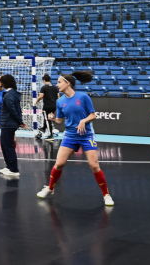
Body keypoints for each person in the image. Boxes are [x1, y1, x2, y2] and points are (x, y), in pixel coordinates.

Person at [36, 72, 114, 206]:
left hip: (86, 135)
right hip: (70, 135)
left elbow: (93, 115)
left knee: (94, 165)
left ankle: (106, 195)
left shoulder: (83, 97)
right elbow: (60, 120)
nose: (57, 85)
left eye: (59, 82)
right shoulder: (60, 101)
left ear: (68, 83)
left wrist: (83, 120)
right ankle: (50, 188)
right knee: (59, 164)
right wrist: (53, 118)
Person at [0, 74, 24, 178]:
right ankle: (9, 167)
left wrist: (20, 122)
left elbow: (13, 110)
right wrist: (19, 121)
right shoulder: (12, 93)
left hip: (8, 124)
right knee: (5, 145)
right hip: (8, 123)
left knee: (8, 146)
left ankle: (14, 169)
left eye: (0, 81)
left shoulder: (9, 95)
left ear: (4, 83)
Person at [34, 73, 59, 140]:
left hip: (47, 106)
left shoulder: (44, 87)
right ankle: (43, 128)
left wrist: (36, 101)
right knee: (48, 119)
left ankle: (50, 134)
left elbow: (41, 96)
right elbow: (58, 97)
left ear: (44, 80)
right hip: (54, 106)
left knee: (48, 120)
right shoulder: (55, 87)